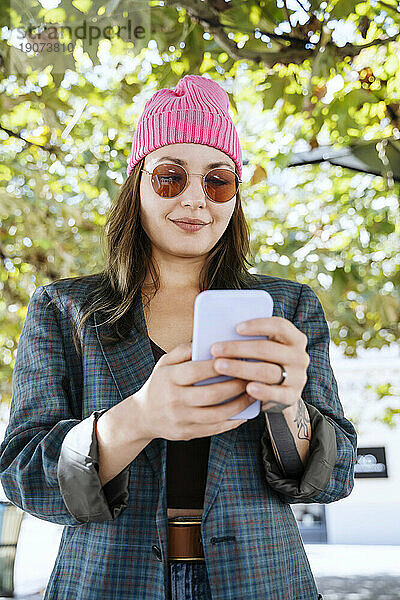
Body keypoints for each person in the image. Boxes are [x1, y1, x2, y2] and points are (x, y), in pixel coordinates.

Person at [0, 74, 357, 600]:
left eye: (218, 181)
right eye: (170, 177)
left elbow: (337, 475)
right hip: (106, 582)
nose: (196, 199)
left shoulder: (290, 308)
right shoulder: (64, 310)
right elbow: (22, 476)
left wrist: (289, 408)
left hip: (261, 580)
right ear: (136, 187)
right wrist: (135, 419)